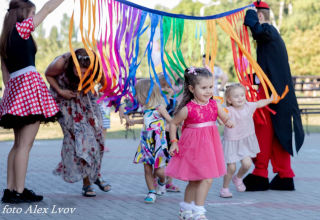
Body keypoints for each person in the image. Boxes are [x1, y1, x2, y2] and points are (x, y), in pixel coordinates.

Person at [0, 0, 64, 203]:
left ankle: (11, 189)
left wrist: (12, 99)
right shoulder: (21, 29)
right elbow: (48, 8)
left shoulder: (4, 39)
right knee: (25, 146)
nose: (33, 17)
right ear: (22, 13)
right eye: (31, 13)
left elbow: (5, 77)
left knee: (18, 145)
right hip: (29, 89)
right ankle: (18, 191)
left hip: (15, 91)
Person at [243, 1, 304, 191]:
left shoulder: (268, 31)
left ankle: (261, 173)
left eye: (254, 19)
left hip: (273, 95)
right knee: (278, 134)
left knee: (263, 131)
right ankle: (284, 175)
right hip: (276, 93)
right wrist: (251, 79)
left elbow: (259, 31)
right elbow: (269, 68)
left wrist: (250, 15)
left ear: (260, 17)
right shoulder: (272, 37)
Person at [166, 67, 233, 220]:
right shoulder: (188, 109)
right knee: (196, 180)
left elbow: (224, 117)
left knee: (206, 179)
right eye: (204, 88)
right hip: (192, 148)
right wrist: (174, 142)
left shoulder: (214, 104)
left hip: (210, 147)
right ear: (191, 88)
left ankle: (188, 209)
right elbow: (173, 124)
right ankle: (196, 211)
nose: (208, 91)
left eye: (211, 87)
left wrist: (229, 122)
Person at [45, 48, 111, 197]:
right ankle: (87, 183)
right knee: (82, 141)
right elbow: (48, 75)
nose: (82, 74)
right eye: (79, 70)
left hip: (86, 99)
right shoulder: (61, 62)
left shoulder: (95, 67)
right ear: (72, 64)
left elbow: (106, 84)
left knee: (98, 138)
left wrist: (100, 83)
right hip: (66, 101)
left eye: (85, 72)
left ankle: (95, 173)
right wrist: (61, 91)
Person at [220, 83, 273, 198]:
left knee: (247, 164)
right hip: (232, 142)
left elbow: (259, 103)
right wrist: (221, 120)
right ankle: (225, 188)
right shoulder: (228, 110)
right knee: (231, 168)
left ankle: (238, 178)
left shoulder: (248, 106)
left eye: (242, 95)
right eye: (236, 96)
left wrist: (270, 99)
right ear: (229, 99)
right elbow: (220, 116)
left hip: (244, 140)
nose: (240, 98)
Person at [131, 78, 171, 204]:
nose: (136, 97)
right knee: (147, 169)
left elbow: (171, 120)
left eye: (137, 94)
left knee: (159, 171)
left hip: (158, 143)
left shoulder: (160, 108)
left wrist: (170, 127)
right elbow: (146, 120)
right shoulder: (145, 109)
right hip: (146, 142)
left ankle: (162, 181)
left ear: (145, 94)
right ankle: (151, 192)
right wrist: (133, 121)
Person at [158, 74, 180, 192]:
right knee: (159, 158)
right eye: (163, 86)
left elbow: (176, 114)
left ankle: (169, 182)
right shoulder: (157, 101)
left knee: (172, 158)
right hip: (159, 133)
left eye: (168, 87)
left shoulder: (174, 101)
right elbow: (162, 112)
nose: (166, 89)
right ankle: (157, 181)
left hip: (171, 133)